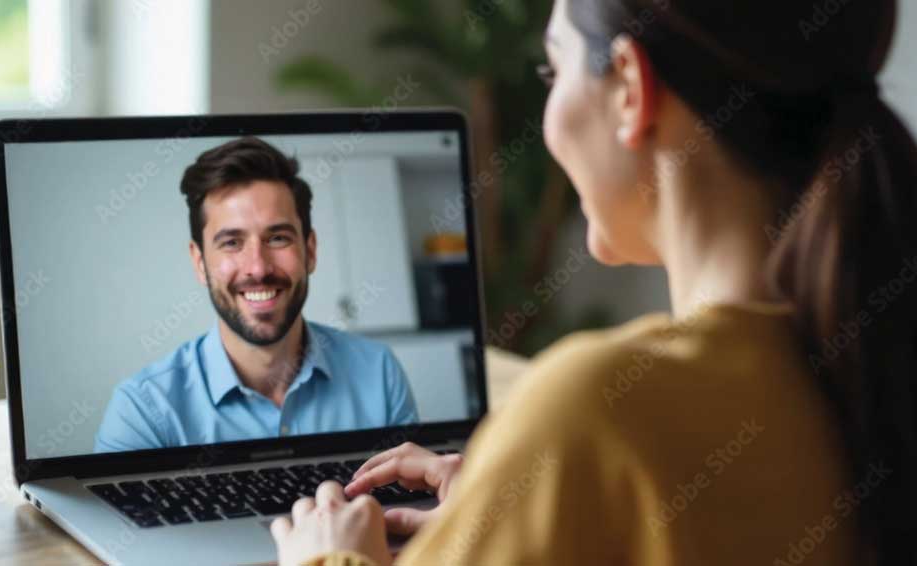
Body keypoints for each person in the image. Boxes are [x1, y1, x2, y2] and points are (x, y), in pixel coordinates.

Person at [267, 0, 917, 564]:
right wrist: (512, 505)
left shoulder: (597, 409)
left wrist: (332, 556)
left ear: (631, 87)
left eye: (554, 69)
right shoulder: (867, 352)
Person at [94, 137, 418, 452]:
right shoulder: (142, 412)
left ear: (311, 251)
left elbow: (415, 503)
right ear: (200, 263)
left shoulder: (380, 373)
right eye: (232, 243)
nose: (259, 268)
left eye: (277, 238)